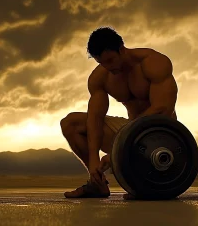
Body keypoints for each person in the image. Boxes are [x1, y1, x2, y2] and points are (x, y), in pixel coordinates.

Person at [60, 27, 178, 199]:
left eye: (110, 60)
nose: (108, 67)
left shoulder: (153, 63)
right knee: (71, 123)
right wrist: (93, 159)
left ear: (122, 49)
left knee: (142, 193)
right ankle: (97, 184)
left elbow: (162, 109)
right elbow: (95, 119)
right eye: (102, 63)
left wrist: (119, 148)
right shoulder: (100, 77)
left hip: (161, 137)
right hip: (130, 135)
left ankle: (144, 183)